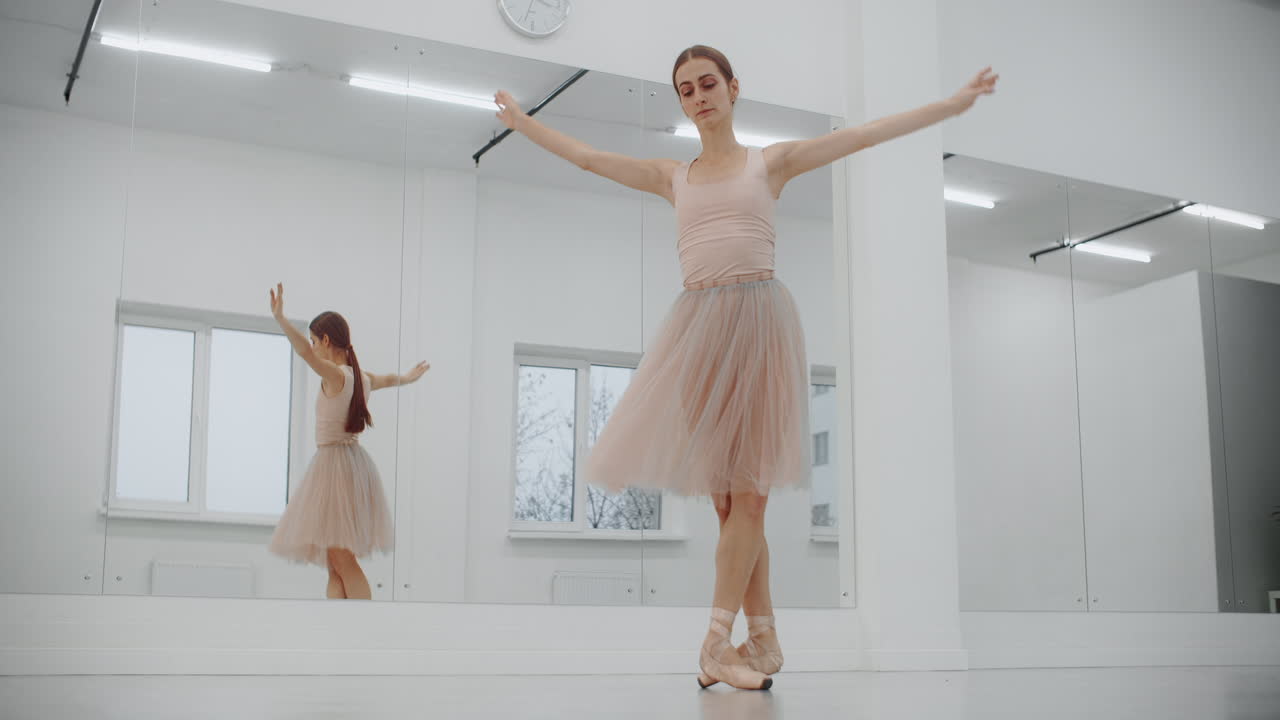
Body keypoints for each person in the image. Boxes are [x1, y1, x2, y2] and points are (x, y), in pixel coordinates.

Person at [494, 46, 997, 689]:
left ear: (733, 88)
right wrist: (522, 123)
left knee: (751, 493)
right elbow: (591, 158)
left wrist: (950, 106)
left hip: (759, 327)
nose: (699, 96)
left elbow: (863, 135)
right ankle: (762, 639)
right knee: (729, 504)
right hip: (699, 335)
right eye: (686, 89)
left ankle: (713, 644)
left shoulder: (772, 163)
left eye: (708, 83)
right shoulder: (671, 175)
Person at [266, 283, 429, 599]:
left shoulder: (335, 374)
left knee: (341, 556)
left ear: (326, 341)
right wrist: (407, 378)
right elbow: (388, 379)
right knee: (333, 559)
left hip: (335, 468)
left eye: (315, 341)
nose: (312, 347)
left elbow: (301, 351)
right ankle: (340, 626)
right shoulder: (362, 377)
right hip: (349, 465)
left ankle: (362, 626)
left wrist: (281, 320)